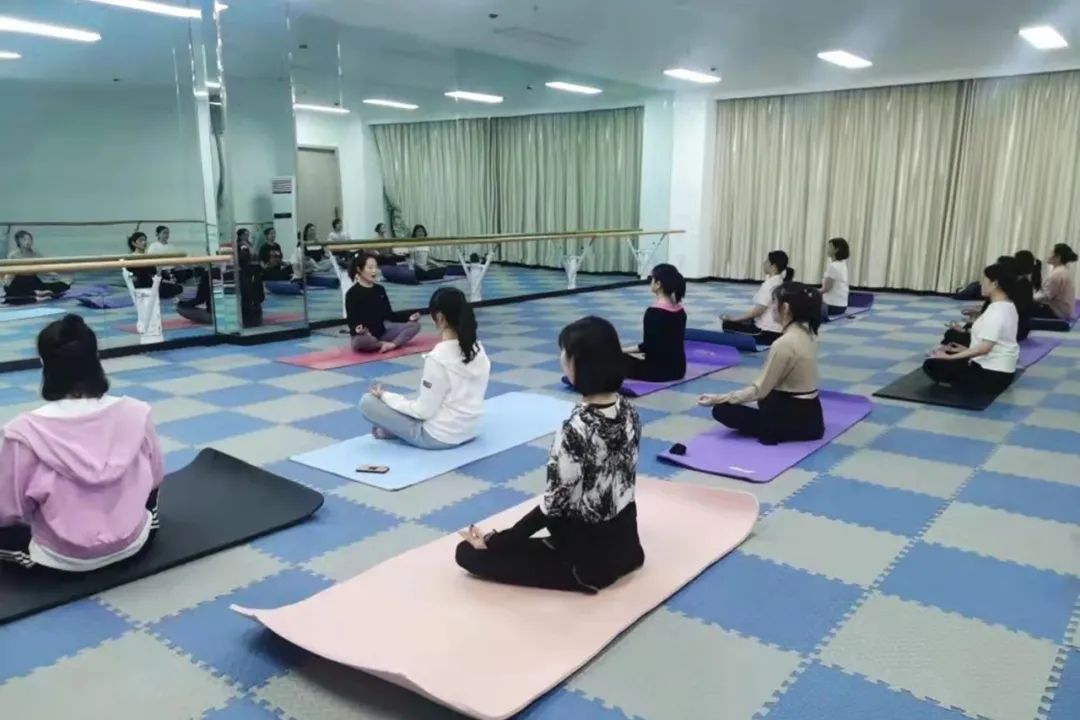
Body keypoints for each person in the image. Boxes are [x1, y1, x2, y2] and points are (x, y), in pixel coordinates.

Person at [456, 316, 644, 593]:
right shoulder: (629, 411)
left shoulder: (575, 429)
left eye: (565, 353)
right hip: (627, 545)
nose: (561, 359)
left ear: (580, 364)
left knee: (465, 553)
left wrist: (498, 542)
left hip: (588, 563)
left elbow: (554, 505)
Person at [0, 315, 165, 571]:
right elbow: (155, 479)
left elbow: (7, 510)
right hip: (135, 542)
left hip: (62, 559)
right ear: (95, 359)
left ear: (44, 363)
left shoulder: (23, 432)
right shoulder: (137, 412)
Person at [360, 286, 490, 449]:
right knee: (419, 399)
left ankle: (391, 431)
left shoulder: (438, 357)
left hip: (439, 437)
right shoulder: (478, 348)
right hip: (471, 430)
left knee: (367, 402)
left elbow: (423, 412)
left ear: (440, 318)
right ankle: (392, 430)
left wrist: (386, 396)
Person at [701, 283, 825, 445]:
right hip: (813, 413)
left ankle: (775, 428)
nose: (771, 308)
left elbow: (760, 390)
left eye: (774, 303)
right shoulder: (810, 334)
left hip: (795, 420)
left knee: (722, 410)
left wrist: (718, 398)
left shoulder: (784, 343)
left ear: (785, 308)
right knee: (767, 398)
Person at [923, 262, 1020, 395]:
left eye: (985, 280)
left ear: (995, 284)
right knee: (948, 355)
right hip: (1000, 369)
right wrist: (964, 350)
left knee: (931, 365)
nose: (982, 284)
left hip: (991, 374)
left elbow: (984, 348)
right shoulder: (1007, 305)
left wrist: (948, 357)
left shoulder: (997, 312)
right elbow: (997, 343)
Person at [346, 252, 422, 353]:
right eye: (370, 268)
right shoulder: (352, 294)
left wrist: (409, 316)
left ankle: (391, 345)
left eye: (375, 267)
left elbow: (390, 315)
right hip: (365, 337)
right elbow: (352, 322)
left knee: (415, 326)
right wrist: (359, 329)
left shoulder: (380, 290)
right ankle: (381, 344)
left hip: (382, 333)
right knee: (359, 342)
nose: (374, 271)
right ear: (359, 269)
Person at [623, 263, 687, 382]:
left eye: (652, 279)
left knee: (613, 358)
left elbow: (648, 346)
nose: (650, 282)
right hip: (679, 370)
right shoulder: (680, 310)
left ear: (658, 284)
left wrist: (622, 350)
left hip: (657, 372)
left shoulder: (654, 312)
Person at [720, 250, 794, 345]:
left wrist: (734, 319)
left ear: (773, 266)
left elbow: (758, 311)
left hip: (766, 332)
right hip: (777, 330)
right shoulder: (779, 282)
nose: (764, 263)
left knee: (727, 325)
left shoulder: (770, 284)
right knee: (745, 321)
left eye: (767, 261)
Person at [3, 230, 71, 305]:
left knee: (63, 286)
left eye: (29, 239)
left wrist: (58, 277)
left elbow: (47, 268)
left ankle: (37, 293)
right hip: (19, 281)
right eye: (24, 239)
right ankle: (37, 296)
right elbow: (9, 272)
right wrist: (7, 283)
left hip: (33, 280)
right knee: (12, 295)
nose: (28, 242)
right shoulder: (13, 255)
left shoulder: (36, 254)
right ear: (18, 241)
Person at [128, 232, 183, 299]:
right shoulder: (132, 257)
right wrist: (164, 280)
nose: (144, 242)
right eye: (141, 240)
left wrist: (168, 279)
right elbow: (143, 275)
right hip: (146, 283)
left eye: (145, 240)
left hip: (155, 280)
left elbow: (156, 271)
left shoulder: (149, 256)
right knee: (173, 288)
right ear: (133, 243)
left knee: (178, 285)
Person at [1033, 243, 1078, 320]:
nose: (1048, 255)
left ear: (1058, 257)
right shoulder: (1063, 271)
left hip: (1058, 313)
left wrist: (1029, 299)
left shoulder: (1057, 274)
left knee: (1023, 310)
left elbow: (1046, 295)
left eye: (1051, 253)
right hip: (1063, 311)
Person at [821, 237, 850, 315]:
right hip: (842, 306)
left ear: (836, 250)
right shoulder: (842, 264)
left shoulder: (833, 266)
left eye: (830, 247)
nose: (827, 249)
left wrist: (813, 294)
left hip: (831, 306)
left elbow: (827, 288)